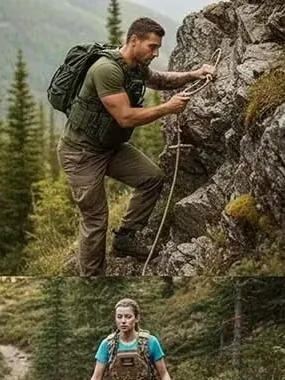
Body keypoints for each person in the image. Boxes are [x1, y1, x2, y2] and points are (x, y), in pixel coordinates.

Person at [58, 17, 217, 275]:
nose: (155, 53)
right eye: (152, 47)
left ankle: (125, 238)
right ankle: (92, 277)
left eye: (157, 48)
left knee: (152, 178)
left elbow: (160, 80)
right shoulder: (106, 70)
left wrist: (194, 74)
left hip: (109, 147)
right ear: (134, 40)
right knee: (96, 219)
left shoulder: (135, 65)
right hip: (81, 154)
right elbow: (125, 116)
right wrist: (168, 108)